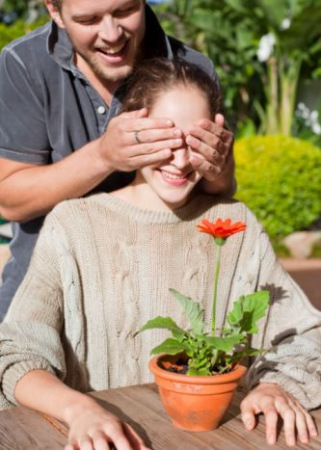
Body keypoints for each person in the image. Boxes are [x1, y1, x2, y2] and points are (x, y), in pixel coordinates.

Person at [0, 58, 320, 450]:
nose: (181, 161)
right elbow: (16, 354)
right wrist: (79, 410)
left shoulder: (237, 225)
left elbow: (306, 335)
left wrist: (274, 385)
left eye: (195, 142)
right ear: (132, 128)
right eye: (166, 141)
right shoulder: (74, 225)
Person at [0, 0, 234, 319]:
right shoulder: (22, 65)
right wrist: (104, 156)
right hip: (42, 303)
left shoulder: (192, 69)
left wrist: (218, 166)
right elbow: (10, 201)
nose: (111, 34)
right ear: (55, 11)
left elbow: (218, 191)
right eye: (89, 19)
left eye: (125, 11)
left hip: (158, 304)